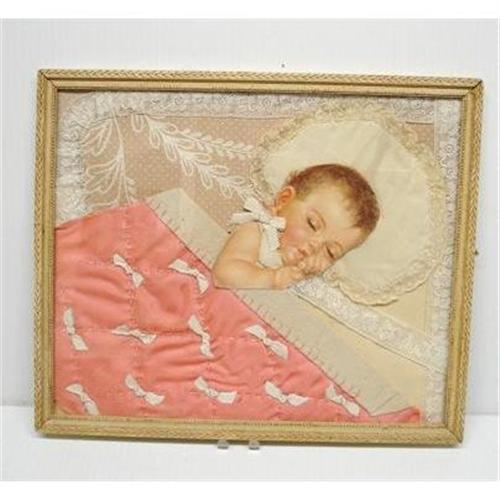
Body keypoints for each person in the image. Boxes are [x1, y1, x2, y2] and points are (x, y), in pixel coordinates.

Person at [213, 163, 380, 290]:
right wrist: (274, 279)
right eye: (313, 224)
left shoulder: (303, 274)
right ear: (284, 200)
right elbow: (224, 274)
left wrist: (304, 274)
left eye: (330, 252)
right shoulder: (256, 230)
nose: (316, 246)